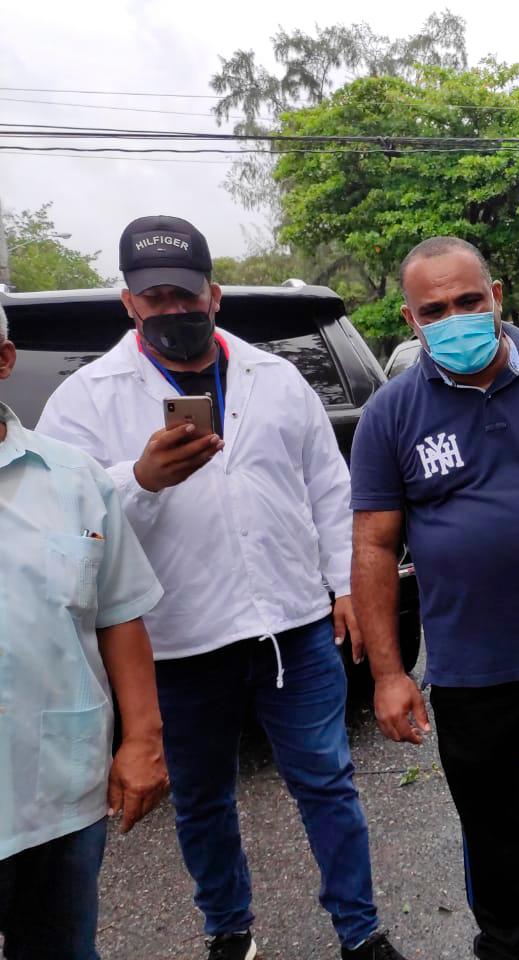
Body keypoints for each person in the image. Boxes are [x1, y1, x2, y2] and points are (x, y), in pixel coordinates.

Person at [36, 216, 406, 960]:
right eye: (156, 297)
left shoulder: (277, 378)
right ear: (129, 304)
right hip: (176, 644)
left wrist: (344, 586)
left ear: (216, 293)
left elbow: (328, 489)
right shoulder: (85, 399)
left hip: (292, 631)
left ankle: (360, 932)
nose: (173, 309)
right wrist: (138, 481)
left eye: (187, 294)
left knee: (329, 784)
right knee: (202, 803)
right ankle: (229, 929)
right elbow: (66, 522)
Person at [350, 237, 519, 960]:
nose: (455, 317)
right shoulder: (390, 415)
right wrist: (390, 675)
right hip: (469, 675)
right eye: (435, 309)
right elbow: (373, 547)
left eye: (468, 301)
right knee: (492, 844)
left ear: (496, 298)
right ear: (411, 318)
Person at [0, 304, 168, 959]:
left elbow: (120, 613)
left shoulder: (73, 479)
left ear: (5, 362)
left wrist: (144, 741)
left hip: (56, 795)